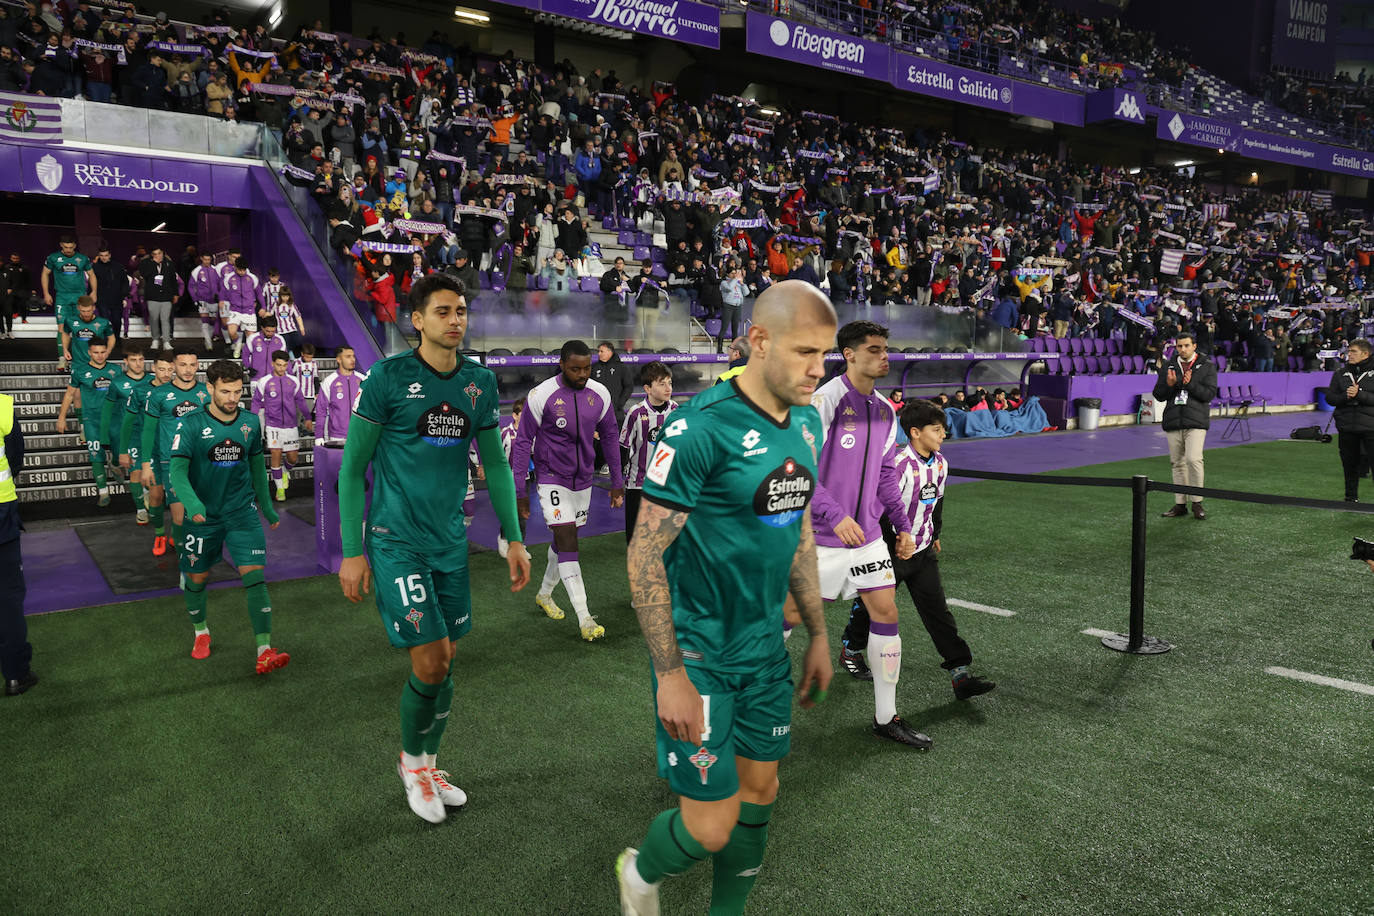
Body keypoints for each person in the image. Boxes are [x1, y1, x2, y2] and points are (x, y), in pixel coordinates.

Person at [615, 280, 835, 916]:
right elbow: (644, 553)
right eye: (805, 354)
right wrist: (670, 675)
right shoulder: (698, 429)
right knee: (711, 827)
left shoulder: (807, 421)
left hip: (767, 651)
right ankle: (640, 871)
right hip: (700, 654)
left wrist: (818, 632)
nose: (819, 371)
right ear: (759, 342)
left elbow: (795, 528)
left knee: (760, 794)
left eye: (826, 356)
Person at [337, 274, 531, 824]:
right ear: (416, 320)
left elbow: (494, 462)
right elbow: (353, 470)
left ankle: (427, 760)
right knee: (431, 658)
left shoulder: (479, 382)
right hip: (396, 541)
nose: (455, 320)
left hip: (450, 541)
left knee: (448, 662)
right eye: (443, 311)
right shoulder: (387, 378)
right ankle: (412, 764)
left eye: (461, 311)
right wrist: (353, 552)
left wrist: (514, 537)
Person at [788, 320, 930, 748]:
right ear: (848, 354)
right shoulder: (824, 402)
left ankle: (886, 717)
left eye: (885, 348)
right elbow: (800, 468)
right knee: (784, 621)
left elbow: (887, 474)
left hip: (867, 537)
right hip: (821, 538)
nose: (884, 356)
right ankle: (740, 710)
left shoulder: (887, 410)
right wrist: (835, 515)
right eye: (874, 349)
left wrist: (902, 526)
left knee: (885, 612)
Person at [168, 359, 288, 672]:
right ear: (209, 389)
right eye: (225, 391)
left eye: (237, 391)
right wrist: (193, 506)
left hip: (241, 512)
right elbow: (177, 472)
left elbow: (257, 470)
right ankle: (201, 631)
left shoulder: (250, 422)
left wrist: (268, 505)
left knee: (255, 576)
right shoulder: (191, 424)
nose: (232, 397)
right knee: (197, 578)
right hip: (204, 517)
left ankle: (264, 648)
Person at [509, 339, 626, 641]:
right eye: (576, 369)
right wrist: (519, 488)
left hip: (584, 479)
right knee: (567, 538)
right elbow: (523, 443)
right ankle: (585, 618)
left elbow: (611, 436)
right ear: (561, 364)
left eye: (587, 368)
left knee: (563, 543)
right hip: (551, 477)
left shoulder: (599, 394)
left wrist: (617, 480)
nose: (583, 374)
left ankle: (545, 594)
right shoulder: (543, 395)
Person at [885, 399, 995, 699]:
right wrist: (896, 543)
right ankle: (851, 648)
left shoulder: (941, 463)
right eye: (937, 429)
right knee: (873, 611)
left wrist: (935, 534)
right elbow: (882, 509)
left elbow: (937, 503)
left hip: (923, 552)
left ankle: (960, 675)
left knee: (938, 612)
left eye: (943, 429)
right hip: (892, 554)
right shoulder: (898, 464)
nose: (943, 434)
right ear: (915, 432)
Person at [141, 347, 211, 558]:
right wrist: (145, 465)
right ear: (173, 366)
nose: (188, 370)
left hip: (199, 461)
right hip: (171, 462)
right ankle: (183, 561)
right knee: (180, 516)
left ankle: (188, 548)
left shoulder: (206, 391)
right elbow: (148, 430)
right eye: (183, 365)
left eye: (192, 365)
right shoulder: (158, 394)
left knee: (198, 513)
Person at [1153, 330, 1218, 520]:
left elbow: (1209, 394)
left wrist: (1189, 385)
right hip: (1173, 421)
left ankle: (1197, 502)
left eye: (1186, 345)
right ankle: (1180, 504)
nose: (1182, 349)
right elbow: (1158, 394)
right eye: (1179, 346)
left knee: (1194, 460)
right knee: (1177, 463)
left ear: (1194, 346)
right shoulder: (1169, 365)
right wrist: (1170, 384)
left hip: (1196, 421)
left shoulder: (1206, 366)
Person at [0, 388, 35, 695]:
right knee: (9, 596)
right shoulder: (3, 406)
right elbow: (15, 460)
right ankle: (15, 675)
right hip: (1, 513)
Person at [119, 350, 174, 548]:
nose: (166, 373)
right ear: (153, 368)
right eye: (161, 369)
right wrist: (123, 450)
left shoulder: (180, 390)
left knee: (178, 497)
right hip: (150, 448)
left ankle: (176, 532)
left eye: (170, 369)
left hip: (174, 449)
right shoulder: (140, 391)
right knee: (157, 495)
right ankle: (159, 534)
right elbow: (127, 422)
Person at [56, 339, 119, 509]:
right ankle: (103, 492)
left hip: (113, 419)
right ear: (89, 352)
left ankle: (115, 463)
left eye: (103, 352)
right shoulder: (80, 371)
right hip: (91, 420)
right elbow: (69, 395)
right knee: (96, 455)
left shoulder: (116, 370)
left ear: (107, 351)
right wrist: (61, 417)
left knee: (119, 452)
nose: (100, 355)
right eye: (96, 352)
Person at [619, 361, 677, 544]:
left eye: (670, 383)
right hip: (638, 483)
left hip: (667, 482)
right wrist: (618, 480)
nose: (668, 388)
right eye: (662, 384)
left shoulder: (676, 410)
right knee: (635, 538)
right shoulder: (636, 413)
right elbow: (624, 447)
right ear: (647, 388)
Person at [252, 349, 312, 502]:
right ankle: (280, 489)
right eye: (279, 365)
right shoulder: (264, 381)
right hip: (273, 425)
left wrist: (307, 417)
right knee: (276, 454)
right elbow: (256, 402)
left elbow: (300, 401)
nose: (282, 368)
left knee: (292, 458)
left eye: (284, 365)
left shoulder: (293, 381)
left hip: (291, 426)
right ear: (272, 364)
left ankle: (285, 470)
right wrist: (252, 420)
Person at [109, 340, 153, 525]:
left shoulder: (152, 380)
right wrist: (110, 439)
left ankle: (147, 495)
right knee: (135, 472)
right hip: (132, 434)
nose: (138, 363)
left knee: (150, 473)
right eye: (133, 360)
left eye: (141, 359)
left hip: (151, 433)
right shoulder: (117, 383)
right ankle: (141, 509)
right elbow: (110, 411)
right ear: (125, 361)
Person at [1326, 338, 1374, 502]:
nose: (1349, 354)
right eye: (1349, 351)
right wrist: (1344, 397)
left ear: (1365, 354)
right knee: (1349, 465)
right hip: (1347, 426)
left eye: (1353, 351)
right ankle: (1350, 498)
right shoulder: (1340, 373)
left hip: (1371, 427)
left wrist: (1360, 395)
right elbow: (1330, 398)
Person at [42, 235, 96, 366]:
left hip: (80, 296)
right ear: (61, 245)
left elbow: (92, 275)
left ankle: (83, 358)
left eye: (71, 247)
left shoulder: (82, 259)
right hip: (62, 296)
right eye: (66, 247)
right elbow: (45, 273)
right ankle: (62, 358)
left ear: (75, 246)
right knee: (62, 328)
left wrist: (94, 291)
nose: (68, 250)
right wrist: (46, 293)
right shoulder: (53, 258)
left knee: (81, 327)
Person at [314, 346, 367, 442]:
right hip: (337, 436)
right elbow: (321, 410)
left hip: (360, 434)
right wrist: (319, 436)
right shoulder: (329, 381)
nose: (352, 359)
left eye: (353, 356)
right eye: (348, 356)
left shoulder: (363, 380)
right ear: (338, 359)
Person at [139, 247, 180, 351]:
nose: (158, 256)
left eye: (159, 253)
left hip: (166, 296)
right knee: (154, 318)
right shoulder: (146, 263)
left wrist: (175, 294)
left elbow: (173, 280)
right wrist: (154, 263)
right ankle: (155, 339)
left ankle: (166, 341)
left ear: (163, 253)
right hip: (152, 296)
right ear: (151, 255)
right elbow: (144, 274)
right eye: (155, 254)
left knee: (165, 319)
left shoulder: (169, 264)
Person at [220, 258, 262, 357]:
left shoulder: (252, 278)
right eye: (240, 270)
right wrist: (221, 300)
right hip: (235, 310)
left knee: (251, 338)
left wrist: (263, 307)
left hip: (249, 311)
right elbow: (223, 291)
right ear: (235, 267)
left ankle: (248, 357)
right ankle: (237, 342)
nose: (242, 272)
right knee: (231, 331)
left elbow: (259, 293)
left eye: (244, 270)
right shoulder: (228, 278)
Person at [61, 295, 114, 370]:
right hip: (78, 364)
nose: (86, 314)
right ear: (78, 308)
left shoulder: (104, 322)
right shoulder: (70, 321)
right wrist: (65, 350)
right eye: (83, 311)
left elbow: (111, 337)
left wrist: (107, 352)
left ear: (94, 308)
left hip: (98, 364)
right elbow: (65, 333)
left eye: (89, 311)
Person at [187, 252, 222, 351]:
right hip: (202, 300)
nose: (207, 261)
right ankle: (208, 342)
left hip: (214, 300)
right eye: (205, 259)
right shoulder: (196, 271)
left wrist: (220, 296)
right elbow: (191, 286)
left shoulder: (216, 270)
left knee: (212, 321)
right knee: (205, 321)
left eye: (209, 260)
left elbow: (221, 284)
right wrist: (195, 299)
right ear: (201, 258)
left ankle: (209, 338)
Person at [242, 314, 282, 381]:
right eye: (268, 331)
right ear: (262, 328)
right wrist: (248, 368)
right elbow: (245, 355)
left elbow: (285, 359)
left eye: (273, 331)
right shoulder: (252, 338)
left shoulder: (280, 340)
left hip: (274, 379)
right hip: (256, 378)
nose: (270, 333)